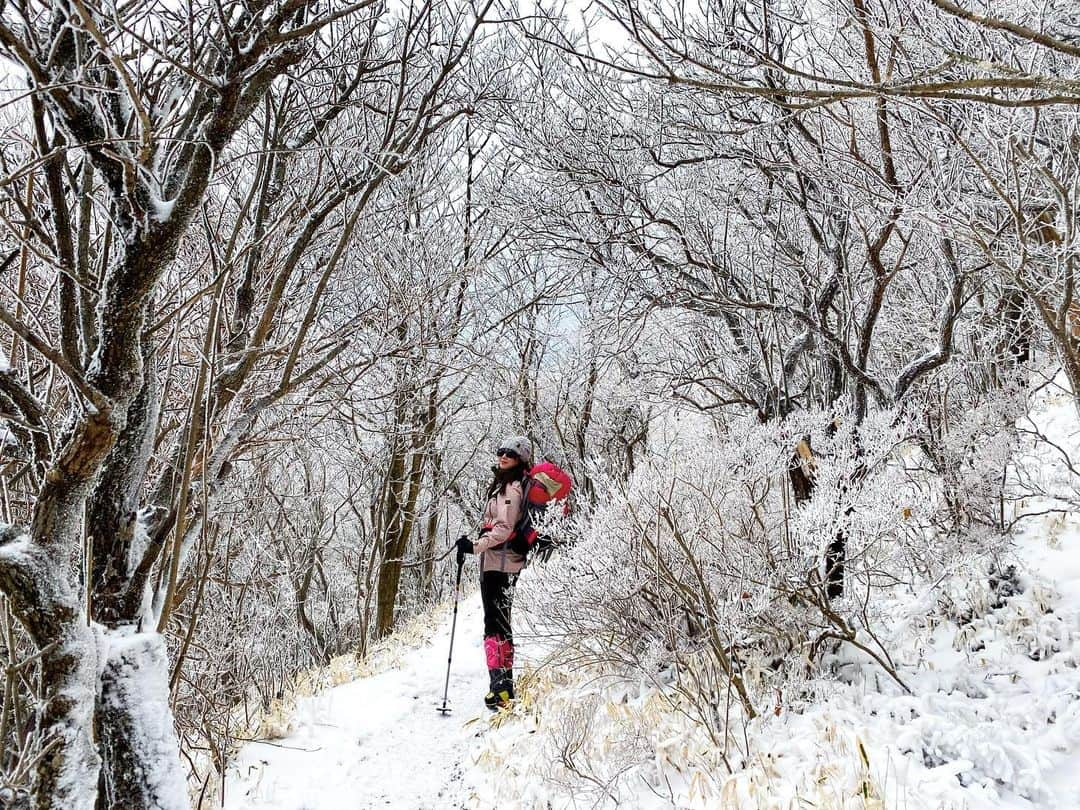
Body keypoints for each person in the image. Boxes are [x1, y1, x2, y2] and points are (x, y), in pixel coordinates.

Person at [456, 435, 532, 710]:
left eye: (510, 454)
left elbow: (504, 529)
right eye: (501, 452)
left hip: (502, 563)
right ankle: (500, 684)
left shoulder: (512, 488)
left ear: (520, 459)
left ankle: (502, 687)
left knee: (496, 623)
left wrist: (476, 546)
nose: (503, 457)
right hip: (496, 561)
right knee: (497, 622)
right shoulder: (503, 484)